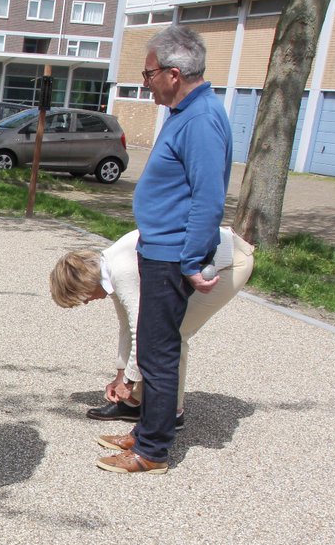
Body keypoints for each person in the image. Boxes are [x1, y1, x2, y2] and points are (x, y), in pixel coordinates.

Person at [97, 24, 232, 474]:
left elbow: (208, 198)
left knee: (157, 352)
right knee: (155, 348)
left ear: (174, 74)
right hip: (160, 248)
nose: (144, 81)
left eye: (148, 73)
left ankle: (152, 450)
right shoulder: (185, 114)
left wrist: (192, 260)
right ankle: (145, 431)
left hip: (173, 255)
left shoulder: (201, 119)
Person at [49, 227, 255, 429]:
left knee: (173, 333)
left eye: (82, 297)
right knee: (161, 332)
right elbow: (127, 327)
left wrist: (128, 381)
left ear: (84, 283)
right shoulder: (108, 268)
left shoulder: (121, 272)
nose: (85, 302)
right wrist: (121, 374)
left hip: (231, 261)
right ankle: (135, 403)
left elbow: (141, 332)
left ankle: (171, 413)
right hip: (207, 258)